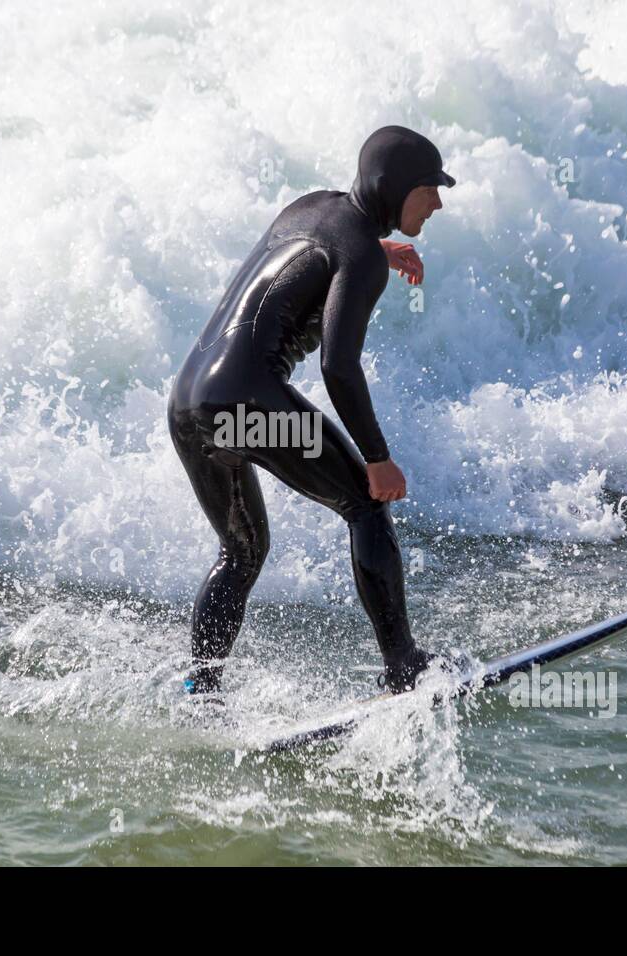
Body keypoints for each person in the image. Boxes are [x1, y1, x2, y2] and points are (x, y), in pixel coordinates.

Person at [167, 126, 454, 696]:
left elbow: (310, 251)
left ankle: (200, 691)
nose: (439, 202)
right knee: (367, 508)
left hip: (189, 402)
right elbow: (339, 366)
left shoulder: (310, 207)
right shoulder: (361, 256)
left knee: (242, 551)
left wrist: (378, 249)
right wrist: (378, 459)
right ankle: (404, 668)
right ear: (391, 187)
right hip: (245, 401)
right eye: (429, 189)